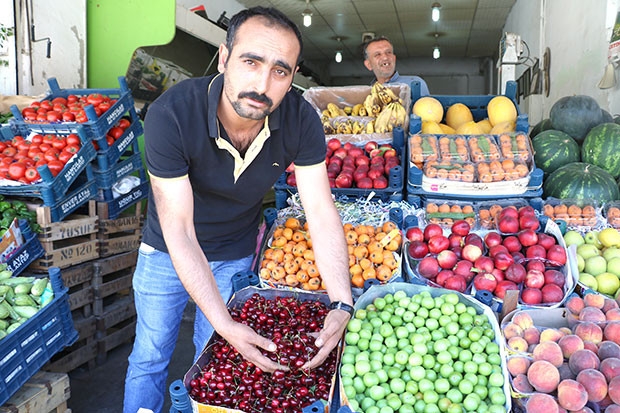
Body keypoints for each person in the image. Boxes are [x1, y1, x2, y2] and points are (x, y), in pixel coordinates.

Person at [123, 6, 354, 413]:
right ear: (225, 57)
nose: (262, 84)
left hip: (234, 252)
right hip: (166, 252)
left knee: (214, 354)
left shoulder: (301, 119)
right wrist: (225, 321)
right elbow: (178, 228)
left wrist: (341, 301)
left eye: (280, 71)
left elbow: (319, 209)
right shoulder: (171, 115)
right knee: (151, 353)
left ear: (293, 76)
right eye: (251, 62)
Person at [363, 36, 430, 96]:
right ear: (369, 65)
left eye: (388, 52)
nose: (385, 57)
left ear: (394, 58)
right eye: (377, 54)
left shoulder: (416, 83)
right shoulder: (367, 94)